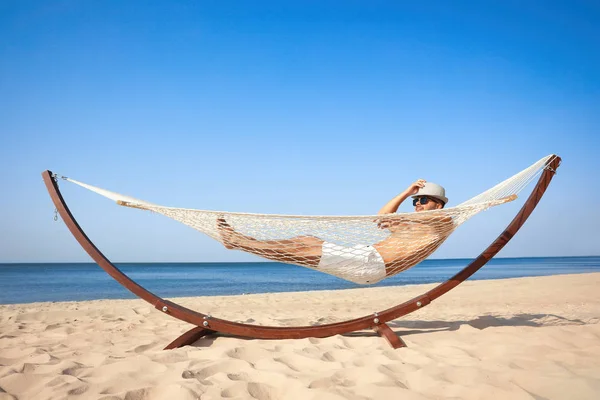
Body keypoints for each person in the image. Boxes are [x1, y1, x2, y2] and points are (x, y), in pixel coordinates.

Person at [217, 180, 452, 284]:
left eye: (423, 199)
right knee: (305, 240)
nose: (417, 204)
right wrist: (406, 191)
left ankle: (236, 242)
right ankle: (241, 240)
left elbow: (443, 218)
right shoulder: (411, 225)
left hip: (372, 264)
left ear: (439, 204)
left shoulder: (443, 222)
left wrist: (424, 209)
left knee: (307, 246)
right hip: (364, 258)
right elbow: (382, 217)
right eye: (415, 200)